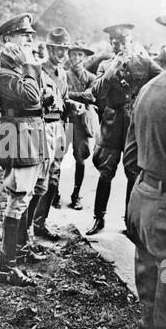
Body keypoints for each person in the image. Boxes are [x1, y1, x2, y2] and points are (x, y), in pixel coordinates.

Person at [69, 24, 162, 235]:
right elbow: (96, 91)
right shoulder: (105, 65)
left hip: (134, 127)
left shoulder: (144, 62)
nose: (118, 45)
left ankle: (130, 223)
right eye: (114, 41)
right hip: (110, 126)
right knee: (105, 172)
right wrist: (113, 69)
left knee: (133, 174)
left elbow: (162, 81)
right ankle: (98, 218)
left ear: (130, 39)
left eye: (122, 40)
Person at [0, 13, 49, 287]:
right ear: (8, 40)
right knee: (18, 198)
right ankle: (6, 267)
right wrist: (28, 64)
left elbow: (38, 99)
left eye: (30, 35)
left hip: (31, 135)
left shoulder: (20, 69)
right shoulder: (2, 72)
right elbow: (31, 96)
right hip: (17, 137)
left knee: (29, 194)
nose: (29, 39)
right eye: (23, 35)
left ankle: (20, 249)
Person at [123, 10, 166, 329]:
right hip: (165, 205)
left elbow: (129, 153)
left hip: (143, 194)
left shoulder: (149, 88)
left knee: (148, 274)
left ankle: (147, 328)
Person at [31, 27, 82, 241]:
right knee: (38, 180)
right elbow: (32, 102)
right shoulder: (37, 70)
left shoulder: (62, 73)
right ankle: (26, 228)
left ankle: (40, 223)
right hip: (43, 128)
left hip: (60, 127)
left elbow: (63, 97)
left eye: (64, 49)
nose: (62, 53)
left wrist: (73, 105)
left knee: (54, 178)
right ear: (49, 48)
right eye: (58, 49)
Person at [66, 40, 98, 210]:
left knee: (81, 158)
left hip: (82, 123)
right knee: (56, 157)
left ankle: (76, 194)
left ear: (85, 58)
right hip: (63, 120)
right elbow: (58, 93)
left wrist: (68, 95)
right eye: (74, 54)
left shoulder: (91, 78)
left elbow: (91, 97)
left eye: (80, 54)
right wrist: (78, 97)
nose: (77, 57)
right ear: (69, 56)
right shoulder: (62, 75)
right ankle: (53, 193)